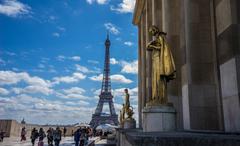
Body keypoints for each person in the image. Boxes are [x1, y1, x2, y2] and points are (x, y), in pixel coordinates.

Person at [147, 25, 176, 105]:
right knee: (155, 80)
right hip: (156, 60)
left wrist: (152, 45)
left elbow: (161, 48)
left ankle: (160, 98)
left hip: (159, 61)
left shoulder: (160, 37)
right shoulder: (158, 38)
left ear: (155, 30)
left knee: (159, 79)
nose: (152, 33)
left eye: (152, 31)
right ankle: (157, 97)